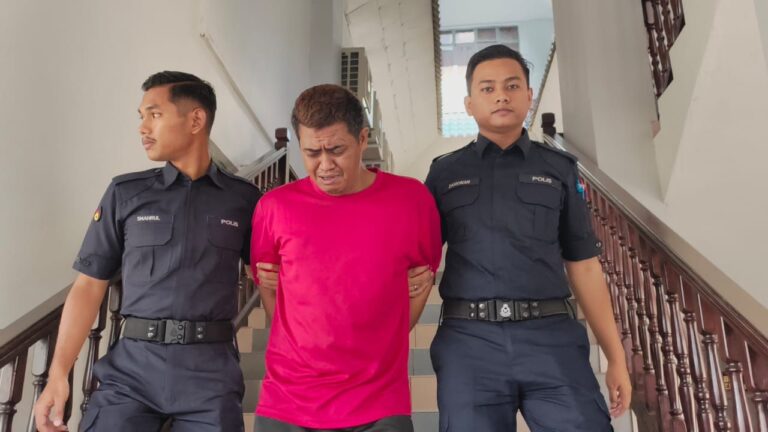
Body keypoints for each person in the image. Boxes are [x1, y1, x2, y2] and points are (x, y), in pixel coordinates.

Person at [34, 71, 260, 432]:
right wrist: (58, 374)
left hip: (211, 374)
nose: (143, 127)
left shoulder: (244, 199)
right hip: (133, 371)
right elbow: (89, 285)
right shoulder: (126, 193)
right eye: (142, 116)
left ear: (196, 120)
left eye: (154, 114)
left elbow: (265, 277)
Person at [424, 44, 632, 431]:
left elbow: (584, 265)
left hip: (551, 338)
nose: (501, 95)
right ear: (469, 104)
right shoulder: (444, 174)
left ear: (529, 96)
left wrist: (615, 356)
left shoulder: (559, 168)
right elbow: (419, 265)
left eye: (512, 85)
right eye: (487, 88)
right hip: (469, 343)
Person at [250, 84, 442, 432]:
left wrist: (380, 342)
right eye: (312, 153)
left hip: (379, 401)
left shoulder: (411, 200)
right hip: (288, 401)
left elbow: (421, 281)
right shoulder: (274, 207)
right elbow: (269, 287)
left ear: (363, 138)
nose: (325, 165)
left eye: (336, 150)